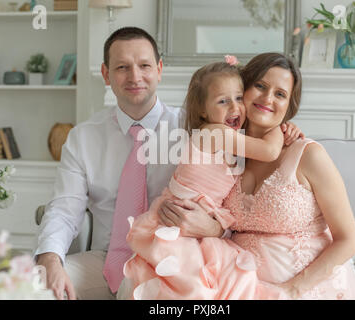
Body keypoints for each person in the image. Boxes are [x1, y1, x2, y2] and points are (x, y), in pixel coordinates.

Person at [34, 27, 301, 300]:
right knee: (30, 285)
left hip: (178, 258)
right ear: (106, 74)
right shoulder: (83, 137)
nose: (135, 76)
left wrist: (215, 228)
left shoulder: (197, 128)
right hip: (106, 260)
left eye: (144, 65)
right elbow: (64, 210)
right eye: (122, 67)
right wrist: (50, 260)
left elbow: (236, 198)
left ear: (159, 69)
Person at [160, 52, 355, 300]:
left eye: (280, 94)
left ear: (289, 105)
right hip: (242, 288)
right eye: (260, 86)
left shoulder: (309, 155)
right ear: (243, 88)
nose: (267, 98)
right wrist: (213, 229)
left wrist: (293, 289)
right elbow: (228, 227)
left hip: (306, 291)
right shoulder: (226, 157)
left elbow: (349, 240)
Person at [121, 60, 297, 299]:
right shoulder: (214, 132)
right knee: (191, 288)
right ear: (203, 110)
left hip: (200, 225)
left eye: (238, 98)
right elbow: (269, 151)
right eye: (223, 101)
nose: (234, 108)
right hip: (178, 223)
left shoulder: (234, 143)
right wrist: (280, 127)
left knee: (228, 280)